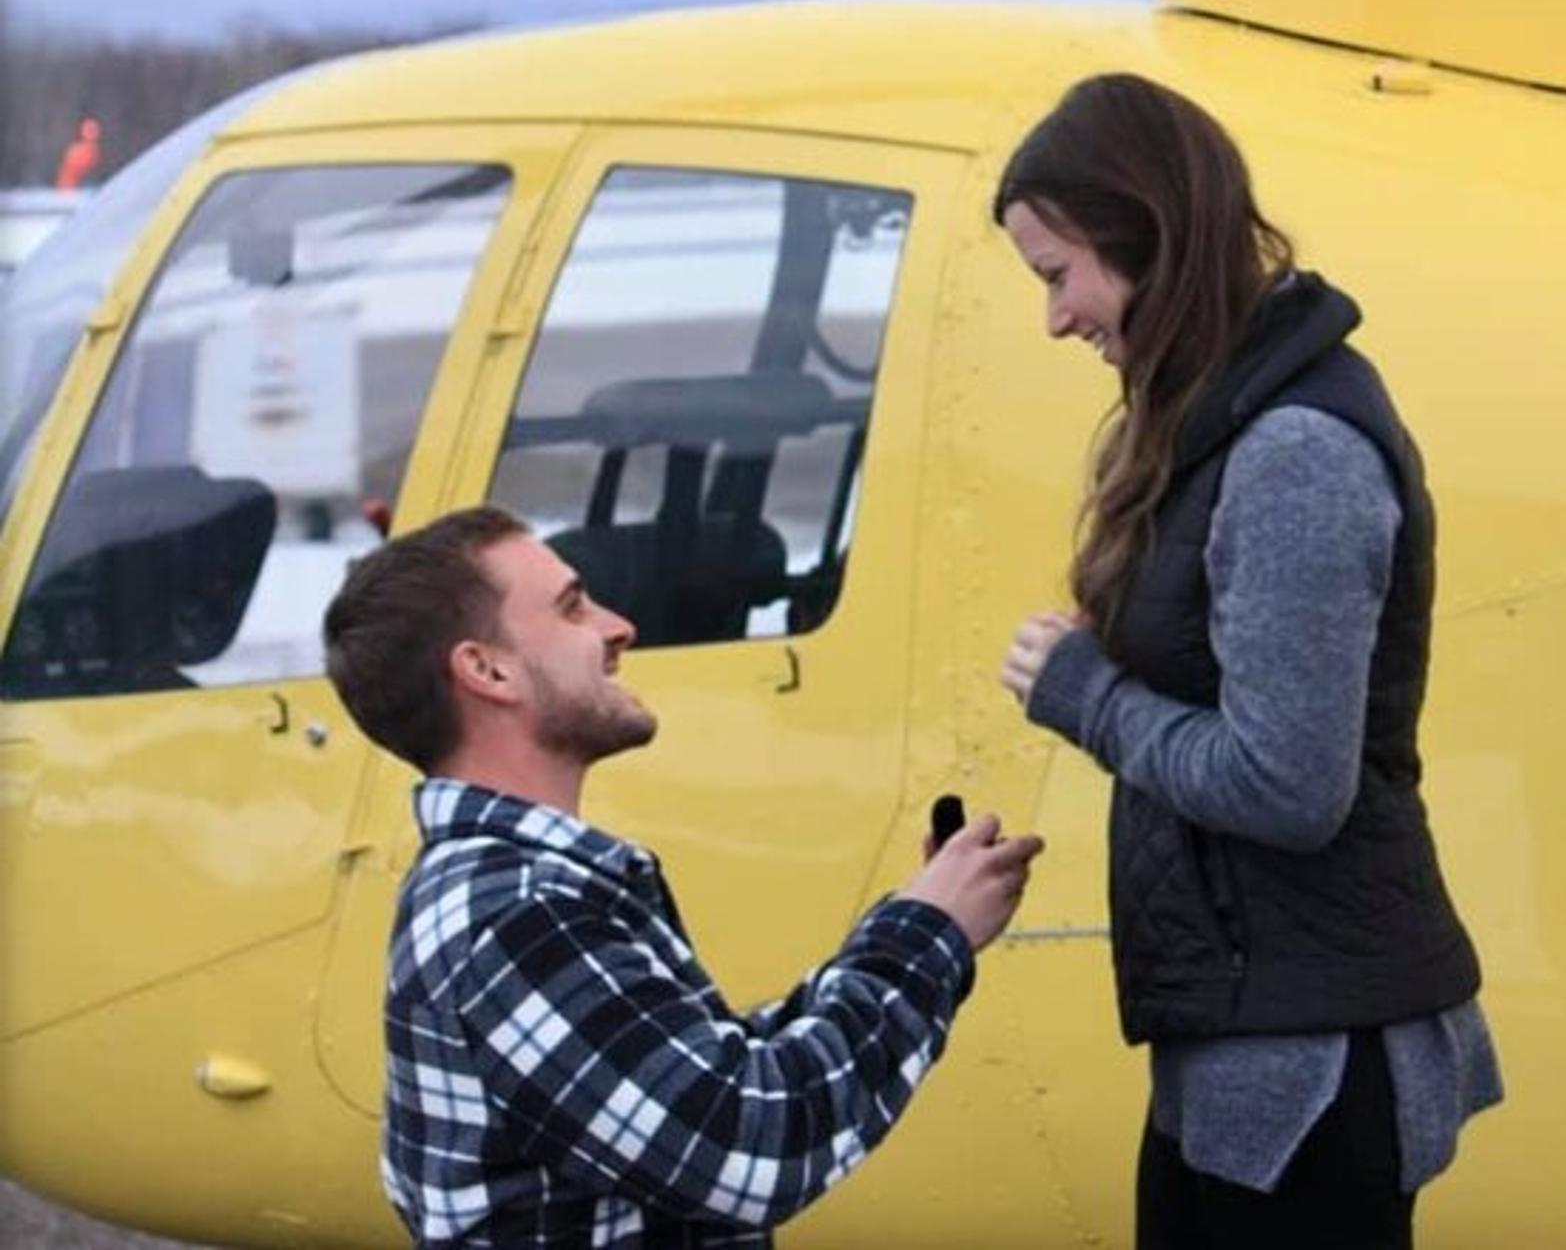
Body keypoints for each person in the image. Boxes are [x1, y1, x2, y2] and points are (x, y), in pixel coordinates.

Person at [994, 74, 1501, 1249]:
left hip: (1310, 1067)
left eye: (1056, 276)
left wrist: (1087, 698)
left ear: (1147, 240)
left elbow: (1288, 785)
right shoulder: (1208, 424)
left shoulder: (1294, 454)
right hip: (1247, 1039)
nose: (1055, 318)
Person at [323, 505, 1044, 1248]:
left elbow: (708, 1074)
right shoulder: (517, 915)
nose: (618, 626)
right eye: (573, 607)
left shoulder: (516, 894)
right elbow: (748, 1146)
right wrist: (927, 939)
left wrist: (917, 922)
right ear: (487, 669)